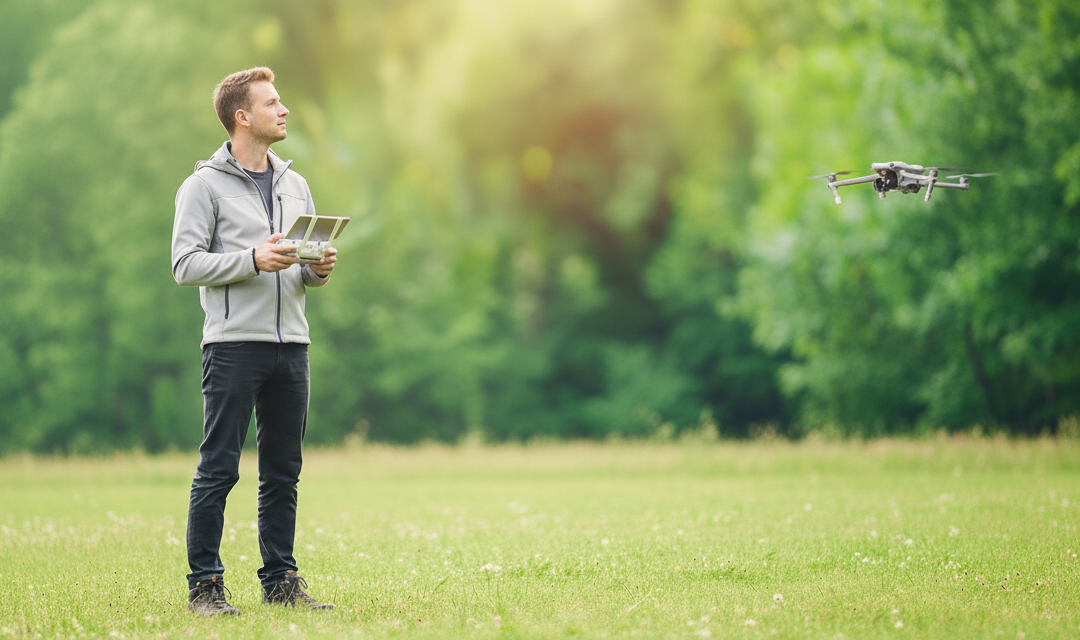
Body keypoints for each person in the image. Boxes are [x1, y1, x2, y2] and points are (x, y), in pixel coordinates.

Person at [172, 67, 336, 616]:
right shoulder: (202, 187)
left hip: (293, 344)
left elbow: (300, 268)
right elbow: (184, 264)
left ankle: (282, 581)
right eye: (272, 102)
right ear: (243, 117)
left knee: (283, 470)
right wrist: (251, 260)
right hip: (232, 345)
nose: (283, 109)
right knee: (219, 467)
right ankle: (205, 588)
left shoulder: (296, 183)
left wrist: (317, 269)